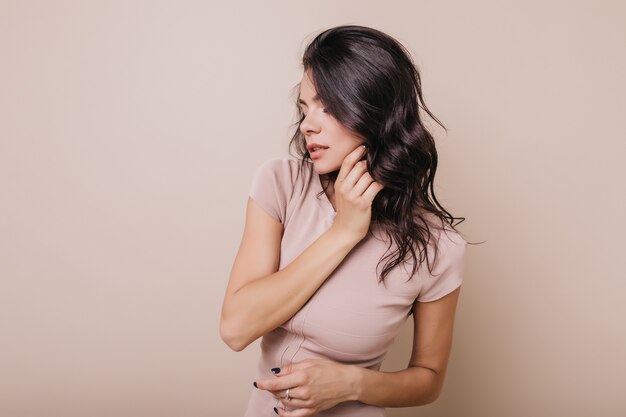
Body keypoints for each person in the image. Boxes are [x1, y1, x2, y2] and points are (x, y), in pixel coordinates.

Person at [220, 24, 468, 417]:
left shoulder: (439, 246)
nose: (307, 125)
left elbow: (429, 379)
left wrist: (351, 383)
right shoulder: (281, 184)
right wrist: (344, 232)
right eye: (304, 108)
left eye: (328, 107)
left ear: (376, 112)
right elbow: (235, 329)